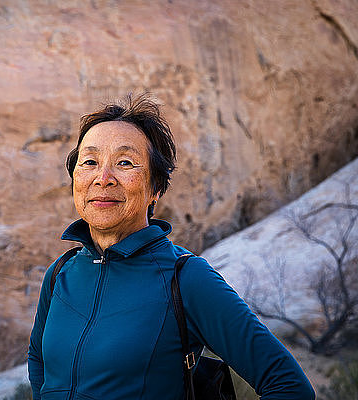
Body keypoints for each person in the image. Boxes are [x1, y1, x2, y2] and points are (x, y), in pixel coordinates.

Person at [27, 94, 315, 400]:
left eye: (125, 162)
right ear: (74, 178)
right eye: (90, 162)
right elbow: (38, 361)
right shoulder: (61, 273)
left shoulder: (186, 277)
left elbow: (289, 387)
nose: (104, 178)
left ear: (156, 188)